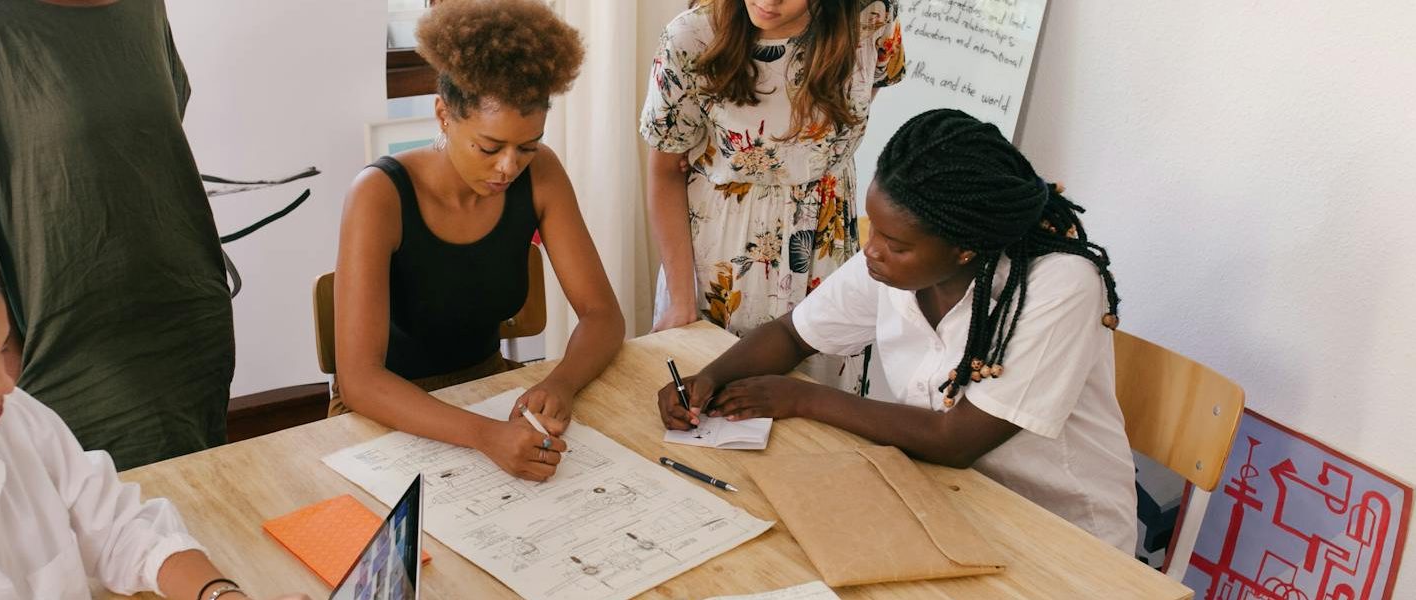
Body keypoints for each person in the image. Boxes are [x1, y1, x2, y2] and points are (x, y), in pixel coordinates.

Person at [657, 110, 1138, 553]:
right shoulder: (892, 267)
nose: (871, 251)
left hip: (1061, 534)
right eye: (874, 231)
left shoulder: (1059, 284)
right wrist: (708, 380)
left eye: (895, 244)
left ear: (964, 248)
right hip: (946, 499)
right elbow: (792, 335)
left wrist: (801, 398)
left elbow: (956, 440)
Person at [0, 232, 305, 600]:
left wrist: (222, 596)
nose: (5, 384)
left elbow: (121, 531)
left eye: (2, 352)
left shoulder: (11, 421)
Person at [0, 0, 233, 469]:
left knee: (199, 520)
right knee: (110, 528)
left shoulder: (145, 7)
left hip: (191, 328)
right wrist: (3, 352)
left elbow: (140, 154)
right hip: (75, 350)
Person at [332, 0, 625, 482]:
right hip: (387, 414)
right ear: (444, 115)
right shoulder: (379, 195)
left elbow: (602, 315)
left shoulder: (542, 174)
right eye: (489, 147)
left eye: (527, 146)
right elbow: (360, 381)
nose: (509, 167)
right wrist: (486, 436)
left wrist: (561, 383)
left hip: (488, 390)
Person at [640, 0, 906, 390]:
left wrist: (810, 157)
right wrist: (682, 302)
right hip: (722, 259)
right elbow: (664, 172)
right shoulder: (690, 37)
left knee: (817, 416)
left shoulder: (874, 17)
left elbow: (864, 95)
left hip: (824, 248)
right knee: (706, 407)